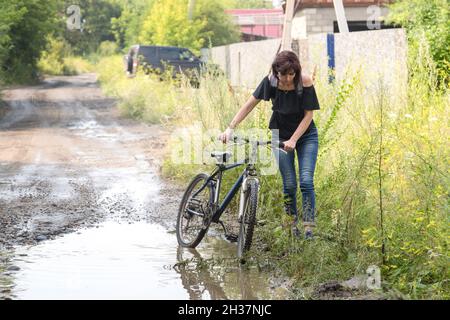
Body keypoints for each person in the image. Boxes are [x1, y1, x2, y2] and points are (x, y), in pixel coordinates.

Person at [219, 50, 320, 240]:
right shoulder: (270, 82)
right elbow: (249, 104)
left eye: (292, 74)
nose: (288, 78)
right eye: (284, 75)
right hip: (279, 135)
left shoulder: (304, 81)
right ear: (276, 72)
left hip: (306, 136)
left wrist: (294, 140)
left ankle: (309, 229)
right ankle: (291, 227)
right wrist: (230, 128)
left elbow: (309, 115)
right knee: (289, 184)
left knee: (306, 181)